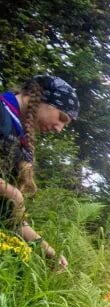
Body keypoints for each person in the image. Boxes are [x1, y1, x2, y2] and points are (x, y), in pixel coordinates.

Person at [0, 75, 78, 267]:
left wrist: (49, 252)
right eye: (61, 118)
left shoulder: (20, 142)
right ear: (43, 98)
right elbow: (14, 199)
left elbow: (13, 220)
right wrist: (12, 192)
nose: (59, 129)